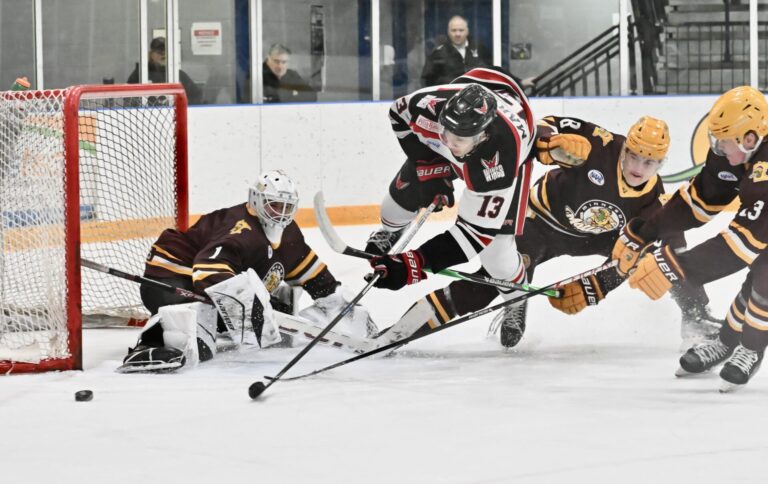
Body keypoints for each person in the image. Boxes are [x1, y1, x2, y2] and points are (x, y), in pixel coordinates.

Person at [487, 115, 720, 348]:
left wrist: (593, 287)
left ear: (661, 164)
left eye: (648, 163)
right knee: (512, 261)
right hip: (546, 221)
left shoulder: (654, 198)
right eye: (633, 156)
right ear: (625, 148)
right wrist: (549, 140)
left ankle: (697, 317)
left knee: (660, 259)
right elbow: (545, 123)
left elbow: (665, 246)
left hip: (598, 236)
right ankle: (514, 299)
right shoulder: (600, 143)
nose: (638, 168)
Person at [119, 169, 375, 372]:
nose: (281, 213)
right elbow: (208, 270)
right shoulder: (242, 230)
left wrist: (338, 301)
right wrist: (245, 304)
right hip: (171, 274)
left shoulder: (289, 234)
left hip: (200, 278)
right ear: (256, 200)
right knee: (200, 337)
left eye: (287, 207)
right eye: (275, 205)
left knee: (276, 312)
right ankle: (150, 343)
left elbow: (312, 273)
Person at [363, 67, 536, 347]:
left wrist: (413, 265)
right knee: (393, 208)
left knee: (496, 258)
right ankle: (389, 231)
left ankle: (516, 297)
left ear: (483, 136)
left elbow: (473, 236)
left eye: (458, 140)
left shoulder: (501, 159)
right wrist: (427, 164)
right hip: (482, 93)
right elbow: (398, 114)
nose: (449, 143)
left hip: (511, 141)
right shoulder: (430, 109)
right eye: (445, 133)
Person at [614, 86, 768, 392]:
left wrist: (673, 266)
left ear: (749, 139)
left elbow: (744, 243)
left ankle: (750, 348)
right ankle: (726, 342)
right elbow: (698, 200)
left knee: (764, 280)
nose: (720, 149)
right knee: (756, 281)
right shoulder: (736, 154)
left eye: (724, 142)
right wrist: (644, 233)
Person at [127, 37, 203, 104]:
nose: (163, 55)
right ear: (151, 54)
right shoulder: (140, 74)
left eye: (166, 52)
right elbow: (128, 98)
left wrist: (184, 107)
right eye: (160, 53)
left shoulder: (178, 75)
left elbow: (196, 95)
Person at [420, 16, 491, 88]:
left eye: (461, 30)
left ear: (467, 31)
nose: (457, 34)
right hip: (450, 96)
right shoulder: (438, 53)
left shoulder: (480, 49)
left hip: (477, 96)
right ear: (448, 32)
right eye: (454, 30)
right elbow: (427, 81)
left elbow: (490, 73)